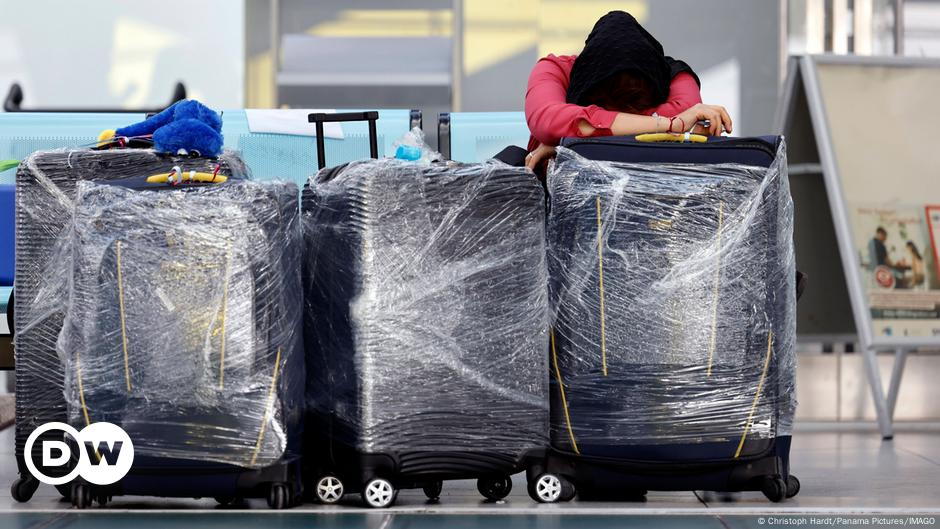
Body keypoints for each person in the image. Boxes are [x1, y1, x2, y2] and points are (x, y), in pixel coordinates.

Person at [520, 11, 733, 172]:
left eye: (634, 104)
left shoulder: (675, 76)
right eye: (604, 103)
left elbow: (563, 127)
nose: (616, 111)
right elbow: (548, 122)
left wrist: (569, 145)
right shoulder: (555, 69)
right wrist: (671, 125)